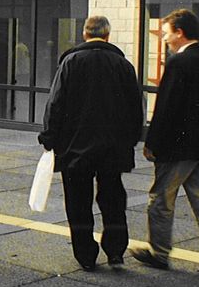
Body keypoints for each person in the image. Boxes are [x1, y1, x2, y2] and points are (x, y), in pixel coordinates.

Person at [133, 8, 199, 285]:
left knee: (161, 201)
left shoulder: (178, 63)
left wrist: (152, 142)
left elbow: (167, 106)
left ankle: (160, 252)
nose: (164, 38)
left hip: (178, 149)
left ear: (180, 32)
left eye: (166, 33)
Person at [38, 16, 143, 271]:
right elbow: (135, 108)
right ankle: (115, 250)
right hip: (112, 147)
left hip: (75, 146)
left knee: (78, 201)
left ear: (85, 34)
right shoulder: (123, 65)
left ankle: (86, 255)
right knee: (113, 199)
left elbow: (56, 103)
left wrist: (49, 137)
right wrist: (130, 140)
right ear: (107, 35)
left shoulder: (71, 62)